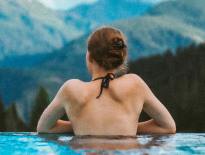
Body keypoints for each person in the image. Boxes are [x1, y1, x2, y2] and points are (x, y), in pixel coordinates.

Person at [37, 26, 176, 135]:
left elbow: (43, 128)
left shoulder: (72, 89)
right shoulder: (135, 84)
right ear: (120, 59)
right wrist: (127, 127)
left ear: (90, 57)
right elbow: (168, 126)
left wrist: (83, 125)